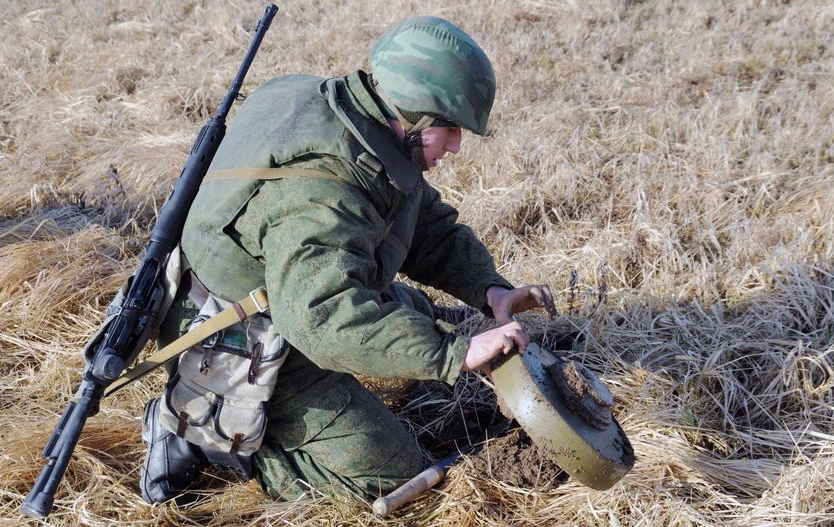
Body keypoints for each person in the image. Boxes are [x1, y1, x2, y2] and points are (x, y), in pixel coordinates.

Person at [140, 15, 558, 505]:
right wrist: (455, 353)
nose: (456, 145)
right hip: (238, 333)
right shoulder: (322, 191)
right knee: (394, 478)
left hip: (291, 289)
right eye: (448, 128)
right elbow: (321, 320)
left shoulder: (360, 121)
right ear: (412, 112)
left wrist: (490, 289)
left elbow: (421, 221)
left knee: (416, 312)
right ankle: (209, 435)